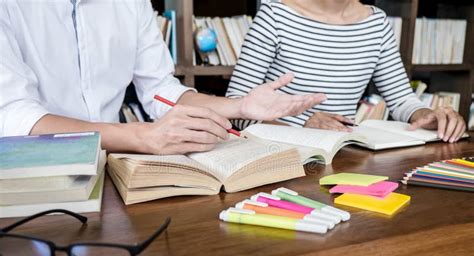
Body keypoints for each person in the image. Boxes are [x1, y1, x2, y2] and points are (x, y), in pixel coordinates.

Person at [0, 0, 326, 154]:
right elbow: (15, 116)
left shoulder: (131, 4)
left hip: (109, 166)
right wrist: (141, 136)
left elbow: (160, 90)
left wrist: (240, 106)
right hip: (29, 170)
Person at [227, 0, 467, 143]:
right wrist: (302, 122)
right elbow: (236, 108)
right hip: (281, 155)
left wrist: (426, 114)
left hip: (342, 155)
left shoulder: (377, 23)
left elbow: (402, 99)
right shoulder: (274, 15)